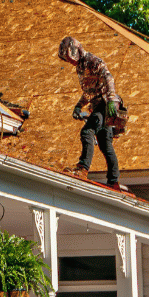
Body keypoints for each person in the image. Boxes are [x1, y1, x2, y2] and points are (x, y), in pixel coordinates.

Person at [56, 36, 126, 187]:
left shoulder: (93, 61)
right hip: (97, 104)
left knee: (87, 132)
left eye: (69, 57)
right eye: (66, 59)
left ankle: (82, 168)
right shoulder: (80, 68)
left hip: (105, 104)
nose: (69, 61)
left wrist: (112, 100)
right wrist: (78, 105)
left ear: (76, 51)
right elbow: (88, 91)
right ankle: (114, 181)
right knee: (104, 143)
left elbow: (108, 78)